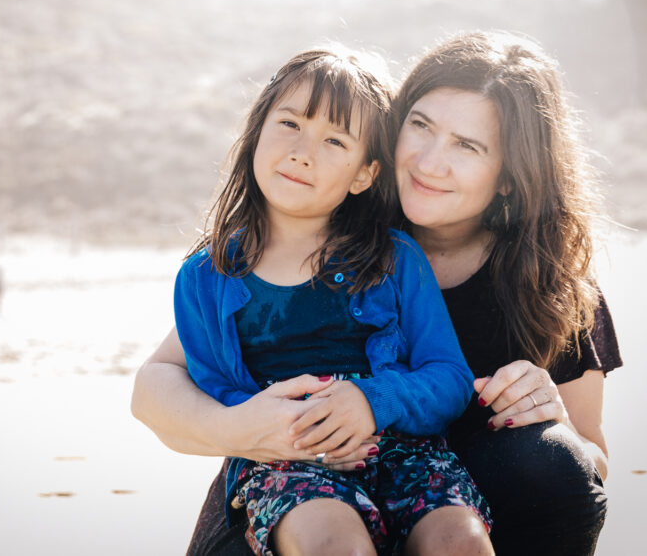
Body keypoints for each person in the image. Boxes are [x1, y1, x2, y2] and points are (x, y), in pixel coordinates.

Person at [131, 31, 622, 556]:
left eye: (467, 145)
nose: (430, 162)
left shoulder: (547, 284)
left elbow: (591, 459)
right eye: (421, 126)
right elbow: (162, 382)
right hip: (292, 487)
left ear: (509, 176)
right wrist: (245, 428)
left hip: (431, 483)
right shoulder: (314, 222)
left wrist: (559, 424)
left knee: (549, 468)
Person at [169, 46, 492, 556]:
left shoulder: (397, 260)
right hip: (285, 462)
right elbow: (216, 389)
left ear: (365, 174)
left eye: (335, 140)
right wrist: (295, 430)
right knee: (334, 545)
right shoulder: (203, 278)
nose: (303, 151)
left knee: (460, 543)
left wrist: (371, 402)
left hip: (405, 449)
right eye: (291, 123)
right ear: (256, 131)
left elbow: (448, 377)